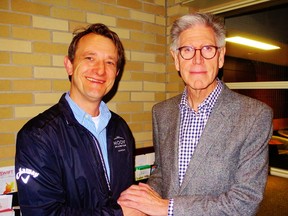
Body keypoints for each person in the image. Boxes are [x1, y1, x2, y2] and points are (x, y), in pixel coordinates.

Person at [118, 12, 273, 216]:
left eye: (207, 49)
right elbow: (163, 174)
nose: (197, 59)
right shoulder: (162, 112)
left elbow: (244, 202)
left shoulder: (254, 116)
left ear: (220, 56)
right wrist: (140, 199)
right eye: (187, 50)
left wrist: (167, 208)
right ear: (176, 59)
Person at [15, 23, 140, 215]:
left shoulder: (120, 128)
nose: (100, 70)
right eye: (90, 58)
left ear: (116, 73)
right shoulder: (37, 136)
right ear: (69, 65)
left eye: (109, 62)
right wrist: (118, 214)